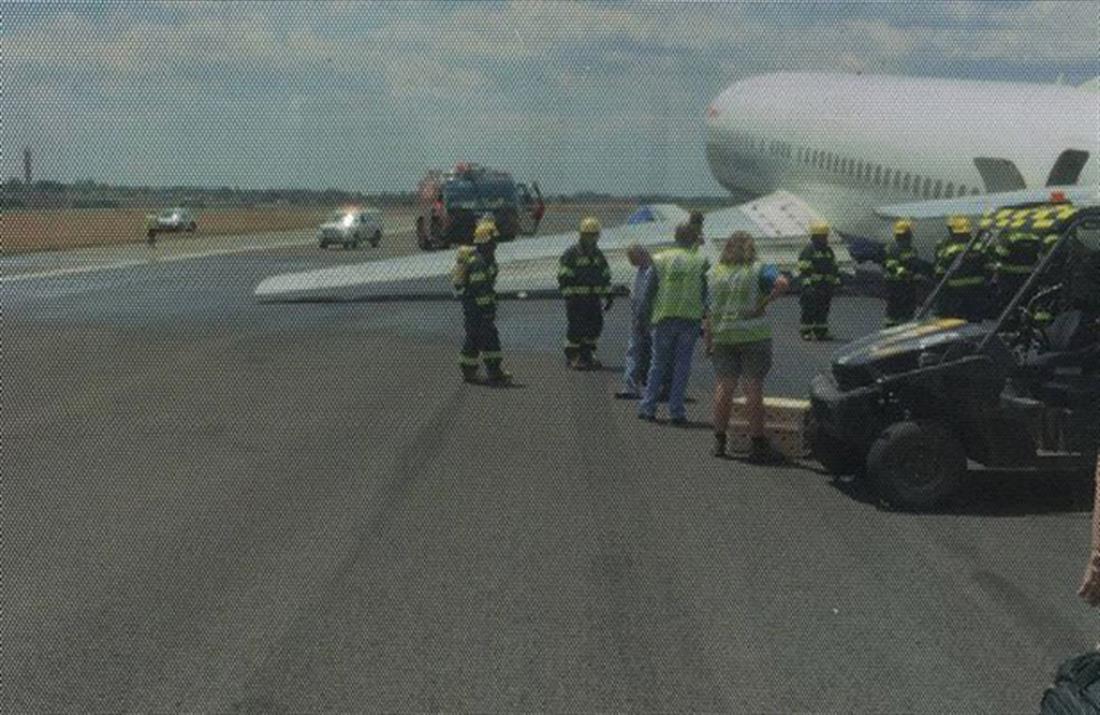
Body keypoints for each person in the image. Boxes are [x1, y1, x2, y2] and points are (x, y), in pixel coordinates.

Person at [705, 232, 790, 463]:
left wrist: (709, 342)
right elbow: (782, 283)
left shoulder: (714, 273)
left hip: (723, 336)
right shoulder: (758, 269)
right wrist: (764, 302)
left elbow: (709, 312)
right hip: (753, 336)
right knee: (753, 388)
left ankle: (719, 440)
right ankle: (757, 442)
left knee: (724, 387)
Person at [637, 223, 709, 424]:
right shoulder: (699, 261)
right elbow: (705, 292)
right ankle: (676, 411)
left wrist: (642, 318)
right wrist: (705, 317)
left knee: (657, 364)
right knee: (682, 366)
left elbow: (648, 291)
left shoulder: (661, 259)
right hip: (689, 318)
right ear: (694, 239)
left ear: (675, 237)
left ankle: (648, 406)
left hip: (664, 317)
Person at [453, 219, 512, 385]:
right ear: (485, 242)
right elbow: (480, 290)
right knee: (482, 338)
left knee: (480, 338)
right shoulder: (478, 263)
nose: (495, 245)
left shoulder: (486, 260)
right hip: (477, 310)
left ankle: (483, 370)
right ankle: (483, 371)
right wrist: (487, 309)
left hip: (478, 309)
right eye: (493, 241)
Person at [558, 216, 612, 369]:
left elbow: (605, 275)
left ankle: (587, 354)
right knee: (576, 328)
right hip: (576, 299)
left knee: (595, 326)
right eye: (588, 235)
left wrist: (608, 294)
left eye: (594, 235)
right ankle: (573, 356)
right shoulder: (571, 254)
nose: (591, 238)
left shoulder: (598, 255)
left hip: (593, 299)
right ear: (582, 235)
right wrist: (569, 296)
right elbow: (563, 277)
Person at [933, 215, 988, 322]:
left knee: (956, 320)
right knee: (974, 319)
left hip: (955, 291)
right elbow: (987, 264)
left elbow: (940, 270)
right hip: (976, 289)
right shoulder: (979, 246)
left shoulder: (949, 250)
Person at [616, 244, 652, 399]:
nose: (634, 265)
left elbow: (647, 298)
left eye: (635, 260)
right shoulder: (640, 271)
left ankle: (645, 386)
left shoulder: (652, 272)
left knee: (646, 353)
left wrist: (642, 319)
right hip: (637, 317)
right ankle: (630, 386)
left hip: (647, 318)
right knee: (633, 351)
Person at [797, 220, 840, 340]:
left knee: (823, 310)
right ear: (815, 237)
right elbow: (804, 271)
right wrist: (807, 286)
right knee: (809, 310)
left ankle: (821, 332)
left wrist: (835, 281)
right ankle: (806, 332)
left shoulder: (828, 251)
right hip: (812, 288)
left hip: (825, 288)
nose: (826, 239)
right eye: (823, 236)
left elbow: (834, 266)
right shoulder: (809, 251)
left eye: (826, 236)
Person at [989, 227, 1042, 316]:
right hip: (1029, 274)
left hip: (1010, 275)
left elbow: (1002, 254)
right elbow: (1039, 255)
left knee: (1009, 302)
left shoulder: (1011, 238)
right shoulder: (1035, 238)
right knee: (1027, 299)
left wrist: (993, 249)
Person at [882, 219, 924, 327]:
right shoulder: (893, 248)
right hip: (895, 283)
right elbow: (891, 266)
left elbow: (915, 264)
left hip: (908, 283)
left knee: (908, 307)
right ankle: (891, 327)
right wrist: (905, 273)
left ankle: (905, 325)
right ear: (906, 234)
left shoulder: (911, 249)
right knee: (894, 307)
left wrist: (916, 274)